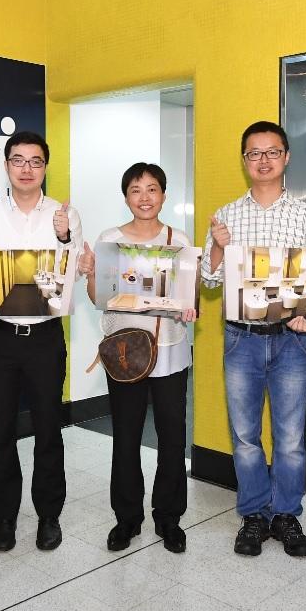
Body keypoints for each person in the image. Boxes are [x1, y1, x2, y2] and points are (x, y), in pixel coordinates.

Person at [200, 120, 306, 558]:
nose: (264, 160)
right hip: (242, 339)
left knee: (290, 438)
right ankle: (254, 514)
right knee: (245, 435)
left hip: (292, 341)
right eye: (254, 153)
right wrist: (218, 247)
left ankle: (287, 515)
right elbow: (209, 280)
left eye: (272, 152)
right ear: (245, 161)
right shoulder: (226, 216)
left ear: (286, 157)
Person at [0, 130, 87, 552]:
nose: (27, 168)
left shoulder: (65, 215)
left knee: (48, 430)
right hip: (0, 339)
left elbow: (77, 274)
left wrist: (66, 238)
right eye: (18, 160)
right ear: (7, 166)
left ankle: (49, 515)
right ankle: (4, 516)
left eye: (36, 161)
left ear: (45, 167)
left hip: (45, 339)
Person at [84, 163, 195, 554]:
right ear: (126, 197)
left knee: (172, 436)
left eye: (152, 189)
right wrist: (90, 274)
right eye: (136, 190)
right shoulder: (110, 240)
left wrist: (189, 307)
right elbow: (98, 298)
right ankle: (127, 518)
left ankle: (169, 517)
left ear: (163, 195)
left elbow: (188, 295)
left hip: (170, 350)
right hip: (125, 351)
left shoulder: (179, 240)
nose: (144, 197)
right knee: (126, 436)